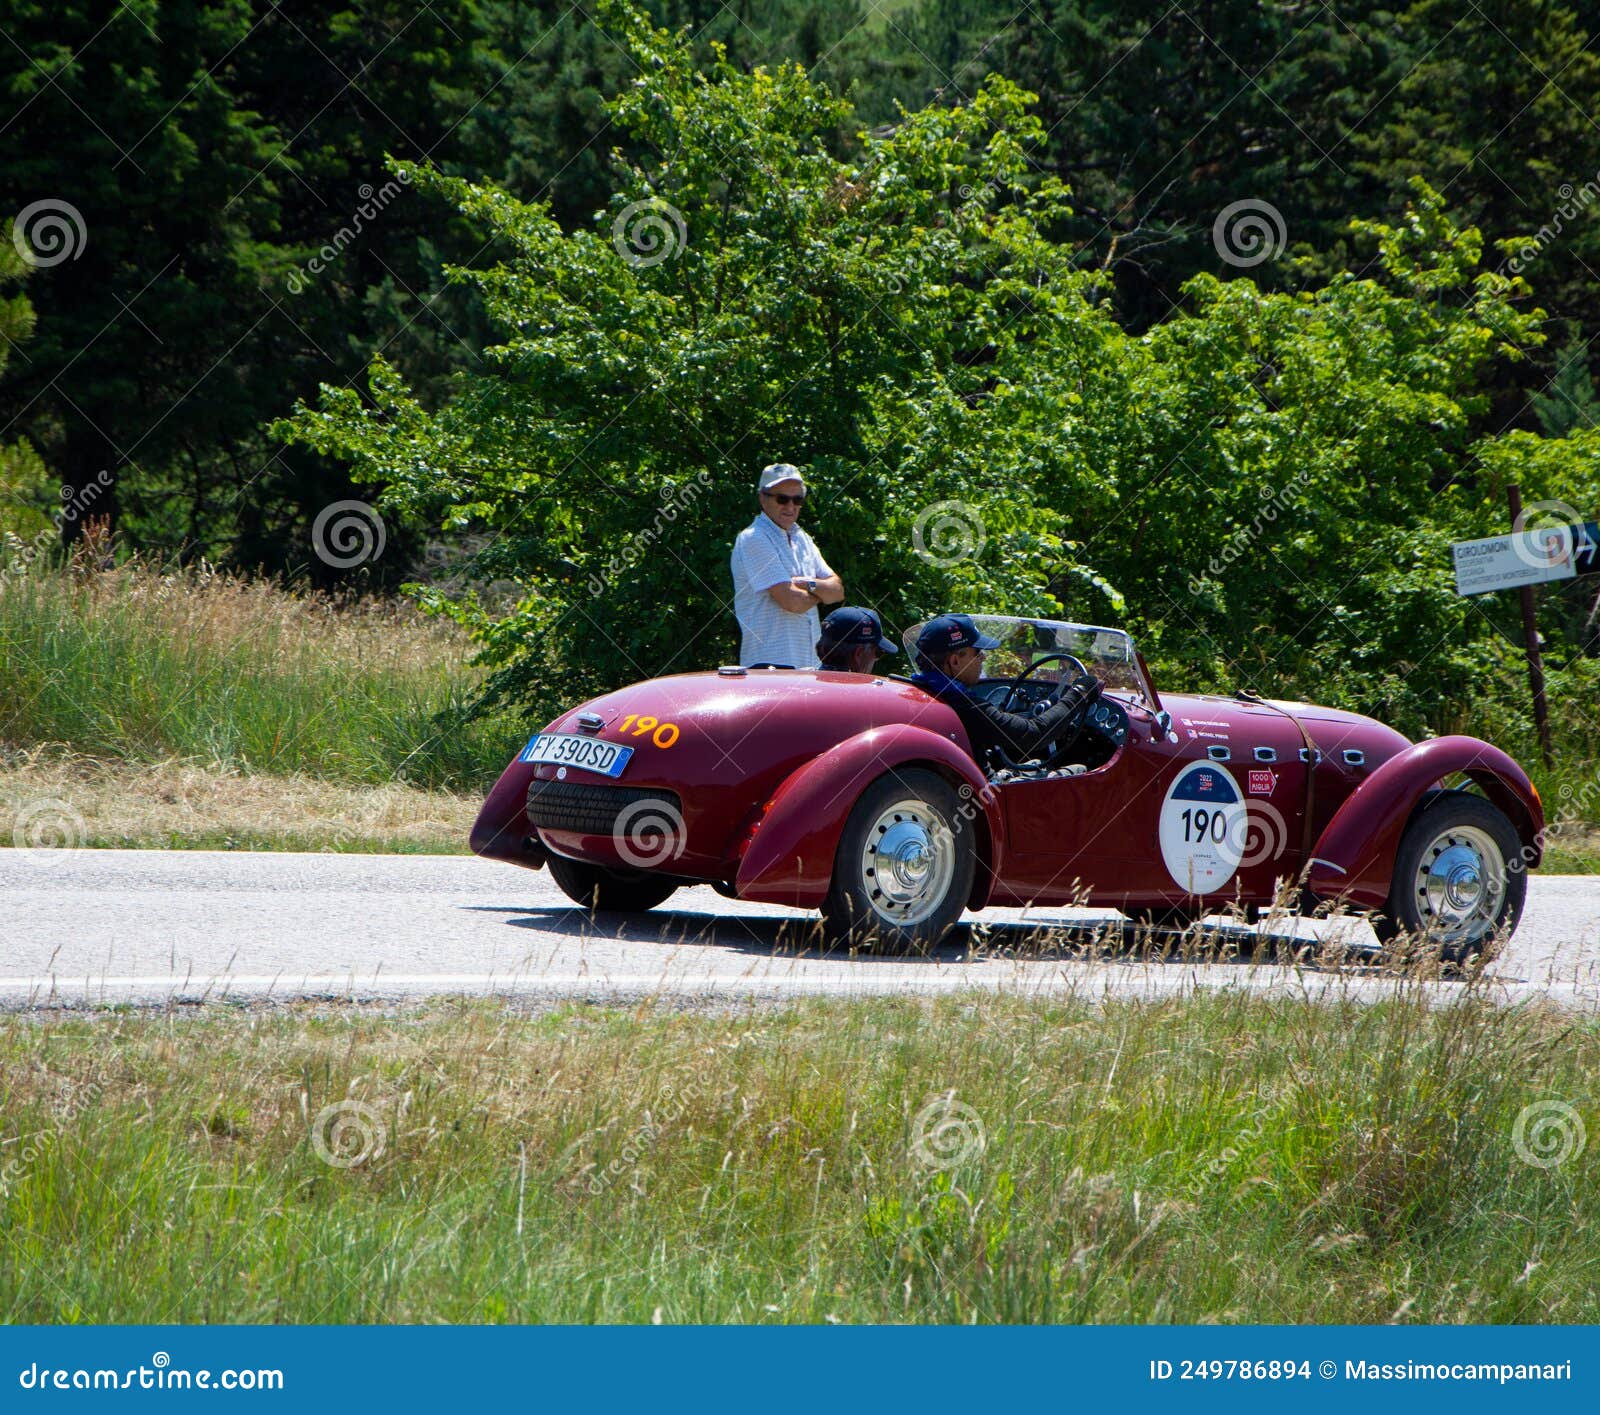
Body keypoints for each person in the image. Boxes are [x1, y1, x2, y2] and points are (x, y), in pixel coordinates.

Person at [910, 613, 1103, 765]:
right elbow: (1034, 734)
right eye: (978, 652)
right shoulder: (962, 704)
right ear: (954, 661)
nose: (983, 658)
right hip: (984, 792)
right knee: (1078, 769)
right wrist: (1079, 693)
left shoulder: (919, 690)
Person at [730, 463, 844, 667]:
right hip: (768, 667)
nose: (790, 507)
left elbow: (837, 591)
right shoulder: (754, 538)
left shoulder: (803, 538)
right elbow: (792, 602)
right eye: (782, 499)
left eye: (797, 499)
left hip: (808, 667)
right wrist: (820, 590)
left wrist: (806, 584)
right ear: (762, 498)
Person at [816, 606, 899, 673]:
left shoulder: (804, 681)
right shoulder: (869, 692)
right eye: (878, 653)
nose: (876, 660)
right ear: (858, 654)